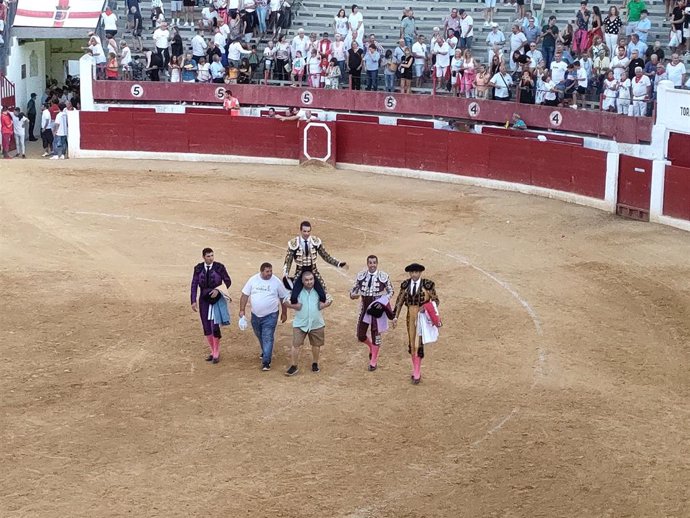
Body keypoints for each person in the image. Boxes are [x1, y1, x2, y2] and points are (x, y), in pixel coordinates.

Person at [393, 263, 440, 385]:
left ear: (420, 273)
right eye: (412, 272)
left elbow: (436, 300)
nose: (414, 274)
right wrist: (395, 317)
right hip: (410, 314)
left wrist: (426, 307)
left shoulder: (428, 285)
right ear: (409, 273)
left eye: (416, 272)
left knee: (418, 343)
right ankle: (415, 369)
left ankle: (417, 372)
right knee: (412, 343)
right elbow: (399, 301)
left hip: (422, 316)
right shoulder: (406, 285)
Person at [283, 220, 347, 306]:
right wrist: (286, 272)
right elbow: (288, 260)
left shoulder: (315, 241)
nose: (306, 233)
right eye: (304, 231)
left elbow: (326, 256)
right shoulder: (294, 243)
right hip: (300, 271)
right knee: (294, 298)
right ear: (300, 231)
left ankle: (313, 311)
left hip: (313, 270)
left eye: (308, 231)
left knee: (323, 296)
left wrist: (338, 263)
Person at [239, 262, 289, 371]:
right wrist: (242, 310)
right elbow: (244, 295)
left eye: (271, 271)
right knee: (259, 334)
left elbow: (283, 298)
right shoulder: (253, 280)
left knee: (267, 336)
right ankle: (265, 351)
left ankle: (266, 361)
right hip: (255, 315)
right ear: (261, 271)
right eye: (267, 271)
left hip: (271, 315)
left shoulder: (276, 282)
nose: (270, 273)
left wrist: (284, 312)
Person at [350, 255, 394, 372]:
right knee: (360, 335)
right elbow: (353, 290)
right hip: (365, 307)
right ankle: (371, 347)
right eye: (370, 263)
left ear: (377, 263)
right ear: (367, 264)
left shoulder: (383, 276)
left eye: (374, 262)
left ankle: (373, 361)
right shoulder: (361, 276)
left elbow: (391, 291)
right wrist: (353, 295)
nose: (372, 265)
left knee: (376, 334)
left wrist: (383, 301)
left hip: (376, 307)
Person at [284, 271, 332, 376]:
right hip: (300, 323)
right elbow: (285, 301)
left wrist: (324, 305)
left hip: (316, 322)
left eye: (311, 279)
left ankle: (315, 363)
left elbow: (330, 299)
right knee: (295, 345)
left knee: (316, 345)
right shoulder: (297, 292)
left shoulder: (319, 291)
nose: (309, 282)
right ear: (302, 281)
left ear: (314, 280)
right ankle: (294, 365)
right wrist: (294, 306)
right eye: (306, 280)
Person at [190, 248, 232, 364]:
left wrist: (218, 291)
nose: (211, 258)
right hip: (204, 300)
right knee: (206, 326)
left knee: (214, 325)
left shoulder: (219, 267)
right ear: (203, 257)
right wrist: (193, 300)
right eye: (208, 256)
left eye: (212, 255)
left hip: (216, 299)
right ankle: (212, 350)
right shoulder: (198, 268)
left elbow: (228, 281)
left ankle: (216, 352)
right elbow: (194, 285)